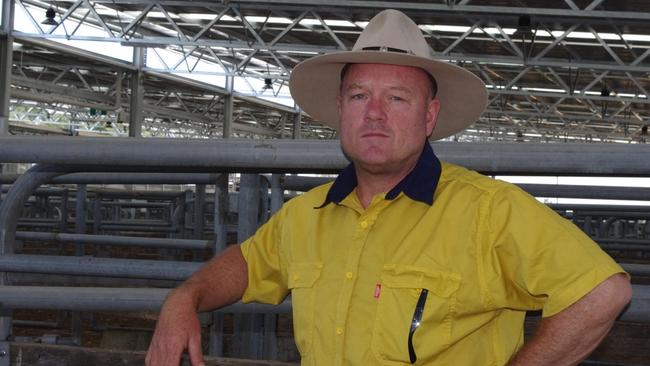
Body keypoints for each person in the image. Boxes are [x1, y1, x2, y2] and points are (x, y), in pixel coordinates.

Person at [146, 9, 632, 366]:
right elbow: (248, 263)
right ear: (341, 109)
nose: (374, 113)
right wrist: (185, 298)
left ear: (430, 116)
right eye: (360, 95)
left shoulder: (487, 212)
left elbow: (601, 292)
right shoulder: (308, 215)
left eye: (397, 98)